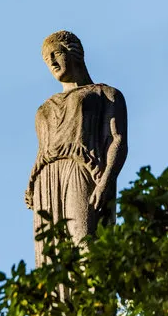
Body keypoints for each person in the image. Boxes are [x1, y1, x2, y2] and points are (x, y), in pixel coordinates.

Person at [25, 30, 127, 266]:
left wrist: (105, 182)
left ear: (74, 53)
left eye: (56, 53)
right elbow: (42, 150)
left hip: (82, 170)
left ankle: (94, 299)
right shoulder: (45, 107)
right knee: (51, 255)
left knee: (84, 242)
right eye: (46, 59)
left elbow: (117, 140)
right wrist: (31, 185)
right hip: (46, 179)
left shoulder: (105, 94)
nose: (51, 61)